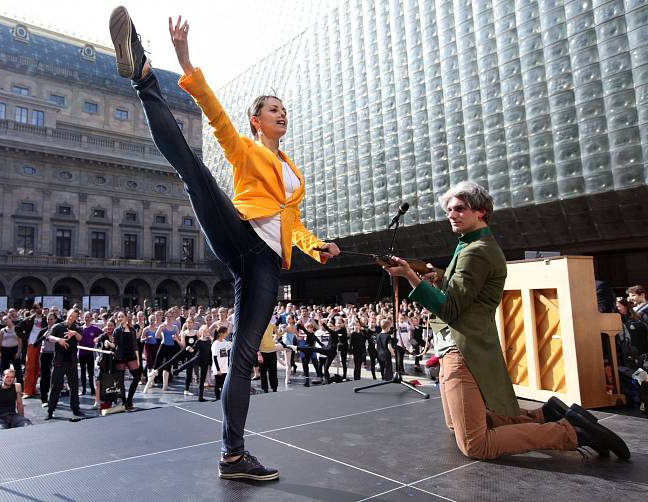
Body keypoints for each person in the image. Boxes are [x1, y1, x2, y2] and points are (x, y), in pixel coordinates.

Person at [110, 8, 340, 480]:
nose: (282, 113)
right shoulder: (245, 148)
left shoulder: (294, 175)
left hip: (266, 266)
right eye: (273, 109)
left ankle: (232, 456)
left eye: (284, 109)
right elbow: (214, 113)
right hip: (238, 231)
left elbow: (290, 224)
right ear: (256, 120)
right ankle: (144, 76)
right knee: (195, 173)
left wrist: (318, 247)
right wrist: (184, 57)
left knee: (244, 353)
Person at [385, 181, 629, 460]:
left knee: (476, 445)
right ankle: (545, 415)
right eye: (449, 210)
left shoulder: (475, 250)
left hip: (463, 350)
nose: (452, 215)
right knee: (458, 426)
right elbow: (465, 289)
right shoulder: (470, 245)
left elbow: (451, 309)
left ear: (482, 212)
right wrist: (439, 277)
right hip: (456, 345)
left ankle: (570, 432)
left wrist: (410, 276)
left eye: (460, 209)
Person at [45, 309, 85, 419]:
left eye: (74, 316)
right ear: (67, 314)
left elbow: (80, 338)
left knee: (74, 386)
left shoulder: (77, 328)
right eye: (71, 315)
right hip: (59, 361)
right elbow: (48, 336)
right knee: (55, 387)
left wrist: (74, 333)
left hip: (71, 362)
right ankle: (50, 410)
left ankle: (75, 409)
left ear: (77, 317)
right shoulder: (58, 326)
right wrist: (58, 340)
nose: (72, 317)